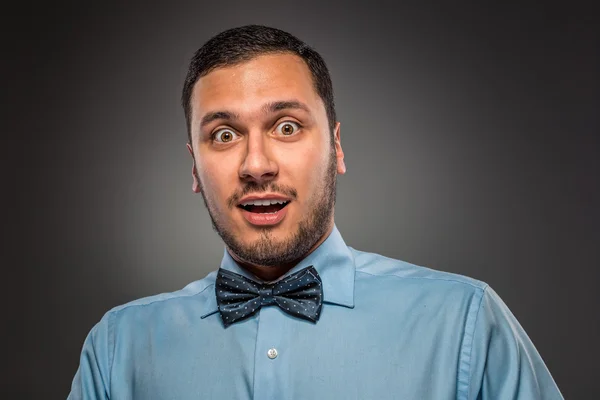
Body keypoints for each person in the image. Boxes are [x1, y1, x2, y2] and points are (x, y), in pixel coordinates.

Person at [68, 25, 563, 399]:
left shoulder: (463, 323)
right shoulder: (117, 349)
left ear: (337, 147)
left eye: (286, 127)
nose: (256, 165)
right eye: (224, 135)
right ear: (194, 166)